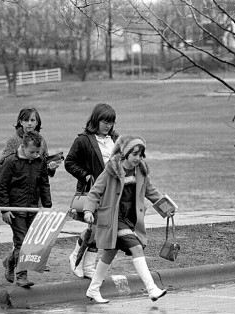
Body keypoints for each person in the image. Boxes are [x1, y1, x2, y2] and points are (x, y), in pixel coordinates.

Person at [83, 135, 170, 303]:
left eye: (141, 154)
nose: (138, 158)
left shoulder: (142, 172)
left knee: (110, 252)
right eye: (134, 154)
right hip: (114, 219)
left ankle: (93, 289)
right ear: (125, 153)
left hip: (131, 218)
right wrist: (88, 210)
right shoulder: (112, 169)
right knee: (136, 247)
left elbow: (152, 193)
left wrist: (168, 209)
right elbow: (95, 192)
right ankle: (151, 288)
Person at [64, 103, 119, 279]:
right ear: (96, 120)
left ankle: (88, 266)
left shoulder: (115, 138)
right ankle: (75, 256)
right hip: (93, 190)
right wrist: (86, 175)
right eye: (105, 121)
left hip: (112, 191)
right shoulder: (83, 140)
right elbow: (69, 162)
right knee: (95, 228)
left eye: (111, 122)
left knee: (101, 229)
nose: (108, 126)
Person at [0, 131, 52, 287]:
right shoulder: (10, 162)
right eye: (31, 152)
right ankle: (21, 276)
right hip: (15, 210)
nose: (35, 155)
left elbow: (44, 184)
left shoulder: (40, 161)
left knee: (31, 242)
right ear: (23, 146)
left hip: (33, 208)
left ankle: (9, 261)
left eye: (37, 152)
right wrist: (5, 209)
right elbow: (1, 187)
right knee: (22, 243)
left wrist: (47, 206)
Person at [0, 107, 60, 176]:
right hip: (18, 183)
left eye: (32, 120)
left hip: (36, 183)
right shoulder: (14, 140)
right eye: (26, 120)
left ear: (37, 122)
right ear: (21, 122)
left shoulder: (41, 140)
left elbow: (45, 164)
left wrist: (51, 168)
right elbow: (2, 164)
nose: (29, 123)